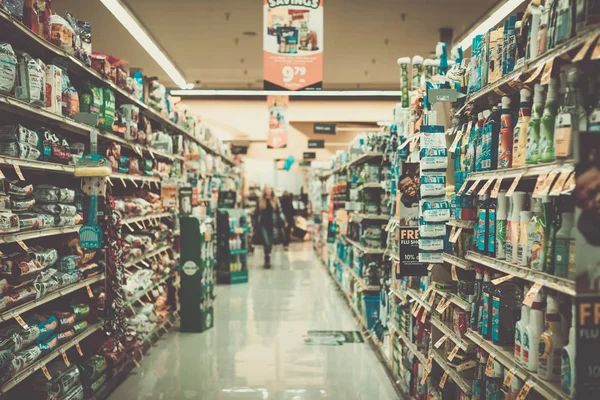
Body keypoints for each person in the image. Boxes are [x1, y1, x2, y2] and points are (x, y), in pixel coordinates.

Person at [253, 186, 287, 268]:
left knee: (270, 243)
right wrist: (255, 223)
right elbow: (256, 213)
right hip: (263, 225)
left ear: (272, 191)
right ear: (264, 191)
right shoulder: (260, 201)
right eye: (267, 189)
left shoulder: (275, 201)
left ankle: (267, 256)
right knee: (266, 242)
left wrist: (284, 220)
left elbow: (280, 212)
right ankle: (267, 257)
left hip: (273, 225)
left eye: (270, 189)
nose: (268, 191)